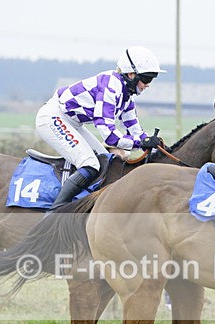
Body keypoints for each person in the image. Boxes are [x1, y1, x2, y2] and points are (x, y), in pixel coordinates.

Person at [36, 46, 164, 210]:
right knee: (90, 164)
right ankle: (56, 211)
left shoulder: (127, 95)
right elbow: (110, 137)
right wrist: (140, 143)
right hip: (53, 117)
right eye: (147, 79)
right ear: (131, 75)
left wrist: (153, 144)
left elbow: (136, 132)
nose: (148, 85)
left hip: (73, 122)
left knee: (107, 162)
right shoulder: (110, 87)